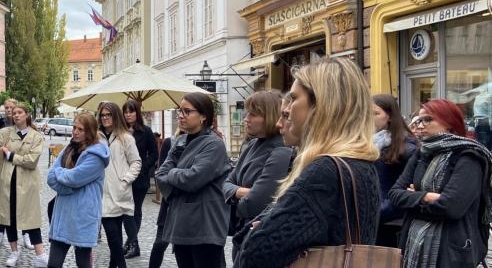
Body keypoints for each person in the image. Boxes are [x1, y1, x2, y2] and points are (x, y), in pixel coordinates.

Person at [236, 58, 381, 268]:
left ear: (321, 104)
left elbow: (255, 253)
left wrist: (258, 229)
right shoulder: (361, 162)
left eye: (294, 98)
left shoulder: (324, 171)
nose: (286, 110)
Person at [390, 98, 492, 267]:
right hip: (413, 241)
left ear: (449, 123)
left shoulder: (468, 156)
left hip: (451, 250)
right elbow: (395, 194)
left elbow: (452, 206)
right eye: (418, 120)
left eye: (427, 119)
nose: (420, 125)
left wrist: (413, 197)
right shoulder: (422, 153)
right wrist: (428, 197)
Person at [155, 93, 230, 268]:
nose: (180, 115)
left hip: (204, 228)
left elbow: (193, 179)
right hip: (181, 226)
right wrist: (176, 178)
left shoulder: (214, 145)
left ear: (203, 116)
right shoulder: (180, 141)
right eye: (179, 111)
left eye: (187, 111)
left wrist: (173, 173)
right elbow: (160, 175)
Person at [0, 104, 49, 267]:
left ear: (27, 115)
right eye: (14, 113)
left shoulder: (36, 136)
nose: (16, 115)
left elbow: (32, 160)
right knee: (8, 217)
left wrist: (11, 156)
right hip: (6, 181)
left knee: (31, 218)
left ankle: (40, 254)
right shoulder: (5, 133)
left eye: (19, 113)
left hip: (28, 183)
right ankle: (14, 251)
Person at [223, 90, 292, 259]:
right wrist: (242, 192)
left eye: (253, 114)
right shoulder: (252, 145)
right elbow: (225, 183)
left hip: (258, 236)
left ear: (269, 116)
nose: (246, 119)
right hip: (242, 234)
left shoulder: (281, 149)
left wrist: (234, 196)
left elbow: (254, 203)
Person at [46, 112, 110, 268]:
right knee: (53, 264)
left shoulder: (96, 156)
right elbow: (51, 178)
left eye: (80, 129)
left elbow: (73, 178)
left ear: (89, 132)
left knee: (83, 263)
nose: (75, 131)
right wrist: (69, 189)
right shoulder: (69, 148)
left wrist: (61, 174)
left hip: (83, 216)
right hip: (63, 214)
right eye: (74, 127)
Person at [98, 101, 142, 268]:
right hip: (102, 192)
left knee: (115, 235)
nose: (105, 118)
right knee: (112, 235)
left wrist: (125, 179)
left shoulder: (126, 138)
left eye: (108, 115)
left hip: (120, 192)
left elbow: (136, 162)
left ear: (115, 116)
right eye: (103, 115)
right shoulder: (96, 137)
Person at [371, 94, 418, 248]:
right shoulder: (367, 143)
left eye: (375, 113)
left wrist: (375, 213)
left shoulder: (406, 149)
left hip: (390, 223)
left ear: (390, 116)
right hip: (371, 219)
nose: (369, 118)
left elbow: (406, 192)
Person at [0, 99, 33, 249]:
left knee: (24, 202)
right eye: (6, 108)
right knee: (2, 202)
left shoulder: (25, 126)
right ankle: (0, 233)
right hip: (2, 169)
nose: (8, 110)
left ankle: (26, 234)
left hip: (20, 169)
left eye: (11, 108)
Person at [121, 99, 158, 259]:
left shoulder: (146, 131)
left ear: (137, 113)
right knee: (124, 211)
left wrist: (143, 168)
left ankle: (132, 244)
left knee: (135, 211)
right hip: (123, 177)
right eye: (126, 112)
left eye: (131, 111)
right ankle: (130, 242)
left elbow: (154, 153)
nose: (128, 114)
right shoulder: (120, 132)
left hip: (140, 179)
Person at [148, 128, 183, 268]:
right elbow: (161, 173)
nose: (182, 117)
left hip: (190, 206)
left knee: (184, 249)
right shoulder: (170, 142)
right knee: (160, 243)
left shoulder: (205, 143)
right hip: (170, 201)